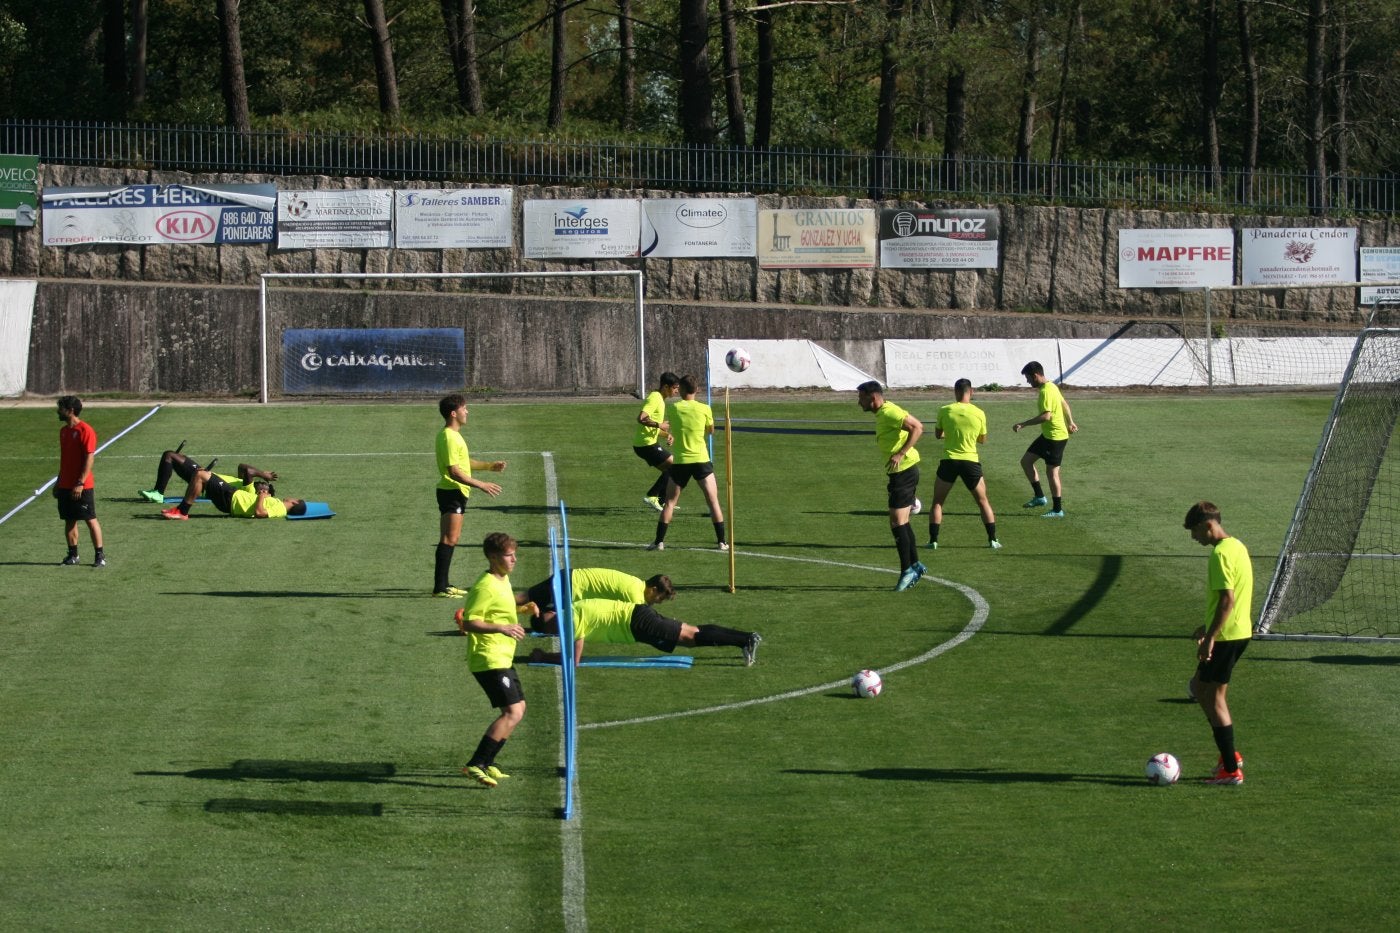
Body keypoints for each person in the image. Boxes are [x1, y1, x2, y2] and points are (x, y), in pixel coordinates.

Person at [452, 532, 529, 788]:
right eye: (509, 555)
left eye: (514, 554)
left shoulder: (502, 580)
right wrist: (502, 628)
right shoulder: (484, 586)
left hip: (502, 656)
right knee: (512, 711)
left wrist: (521, 610)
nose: (514, 560)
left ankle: (489, 762)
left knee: (518, 710)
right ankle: (476, 764)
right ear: (494, 557)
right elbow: (469, 621)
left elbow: (501, 606)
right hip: (488, 658)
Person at [1184, 501, 1252, 785]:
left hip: (1226, 637)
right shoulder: (1238, 546)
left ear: (1207, 525)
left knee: (1213, 697)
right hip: (1237, 631)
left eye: (1195, 531)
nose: (1193, 537)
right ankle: (1229, 756)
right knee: (1201, 688)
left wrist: (1210, 638)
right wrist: (1208, 624)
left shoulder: (1220, 555)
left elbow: (1228, 599)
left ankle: (1231, 769)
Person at [529, 597, 761, 667]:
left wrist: (544, 657)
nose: (553, 627)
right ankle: (744, 639)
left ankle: (745, 640)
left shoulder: (568, 620)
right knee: (691, 636)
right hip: (637, 619)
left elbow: (574, 661)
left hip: (637, 623)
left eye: (549, 623)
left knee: (692, 635)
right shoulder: (569, 609)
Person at [434, 394, 507, 598]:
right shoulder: (449, 436)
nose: (467, 412)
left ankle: (444, 585)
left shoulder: (454, 435)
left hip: (456, 492)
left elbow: (464, 462)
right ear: (453, 413)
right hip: (452, 492)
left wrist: (489, 466)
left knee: (450, 539)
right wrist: (481, 484)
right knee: (449, 539)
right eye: (464, 408)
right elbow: (454, 471)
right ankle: (440, 587)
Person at [857, 380, 924, 591]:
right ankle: (915, 564)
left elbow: (918, 427)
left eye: (861, 398)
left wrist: (900, 453)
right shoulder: (884, 412)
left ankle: (907, 571)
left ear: (873, 398)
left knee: (897, 522)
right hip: (902, 472)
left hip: (904, 472)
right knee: (901, 521)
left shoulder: (888, 412)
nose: (859, 403)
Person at [646, 374, 727, 552]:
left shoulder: (674, 408)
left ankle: (659, 542)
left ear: (681, 389)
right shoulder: (705, 408)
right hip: (701, 460)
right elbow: (711, 431)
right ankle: (722, 542)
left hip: (681, 462)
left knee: (670, 503)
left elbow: (672, 426)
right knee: (713, 502)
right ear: (697, 390)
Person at [929, 379, 1001, 550]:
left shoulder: (945, 410)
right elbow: (982, 439)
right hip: (970, 461)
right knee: (983, 502)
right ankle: (992, 539)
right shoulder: (979, 413)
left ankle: (933, 541)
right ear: (971, 392)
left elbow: (938, 435)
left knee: (938, 502)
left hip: (949, 460)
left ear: (955, 392)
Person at [1011, 361, 1078, 518]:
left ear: (1035, 375)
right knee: (1026, 461)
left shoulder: (1045, 392)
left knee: (1052, 473)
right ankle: (1040, 497)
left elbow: (1046, 416)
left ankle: (1057, 510)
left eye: (1028, 378)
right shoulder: (1052, 386)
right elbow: (1064, 404)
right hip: (1048, 436)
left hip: (1056, 437)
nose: (1028, 382)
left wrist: (1024, 424)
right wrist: (1071, 422)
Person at [516, 567, 676, 623]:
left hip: (571, 578)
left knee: (528, 598)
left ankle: (498, 607)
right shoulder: (636, 597)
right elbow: (644, 617)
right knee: (528, 603)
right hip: (571, 587)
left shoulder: (637, 583)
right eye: (660, 597)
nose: (659, 602)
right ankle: (495, 605)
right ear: (653, 589)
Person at [55, 396, 105, 567]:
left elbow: (89, 458)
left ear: (70, 411)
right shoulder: (63, 431)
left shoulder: (85, 430)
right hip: (65, 484)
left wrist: (80, 482)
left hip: (82, 485)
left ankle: (99, 556)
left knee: (90, 519)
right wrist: (59, 481)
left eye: (61, 408)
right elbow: (65, 460)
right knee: (69, 520)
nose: (58, 411)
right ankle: (73, 555)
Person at [140, 447, 277, 504]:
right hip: (206, 477)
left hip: (206, 482)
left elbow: (247, 470)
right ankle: (157, 492)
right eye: (265, 484)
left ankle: (158, 493)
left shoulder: (250, 491)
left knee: (170, 455)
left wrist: (263, 474)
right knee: (173, 457)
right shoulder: (243, 484)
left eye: (265, 488)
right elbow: (241, 467)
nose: (264, 485)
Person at [161, 470, 306, 519]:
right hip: (232, 497)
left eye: (295, 498)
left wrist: (262, 496)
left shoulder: (280, 509)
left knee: (200, 475)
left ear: (295, 503)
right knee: (201, 476)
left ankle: (182, 511)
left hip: (232, 499)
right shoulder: (278, 505)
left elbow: (260, 512)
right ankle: (180, 510)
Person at [634, 372, 681, 512]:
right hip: (645, 445)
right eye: (675, 387)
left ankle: (662, 502)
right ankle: (652, 496)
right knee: (674, 467)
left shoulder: (660, 399)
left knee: (672, 471)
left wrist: (666, 434)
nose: (677, 391)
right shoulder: (655, 398)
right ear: (666, 386)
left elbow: (652, 428)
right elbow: (641, 418)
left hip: (647, 443)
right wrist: (659, 425)